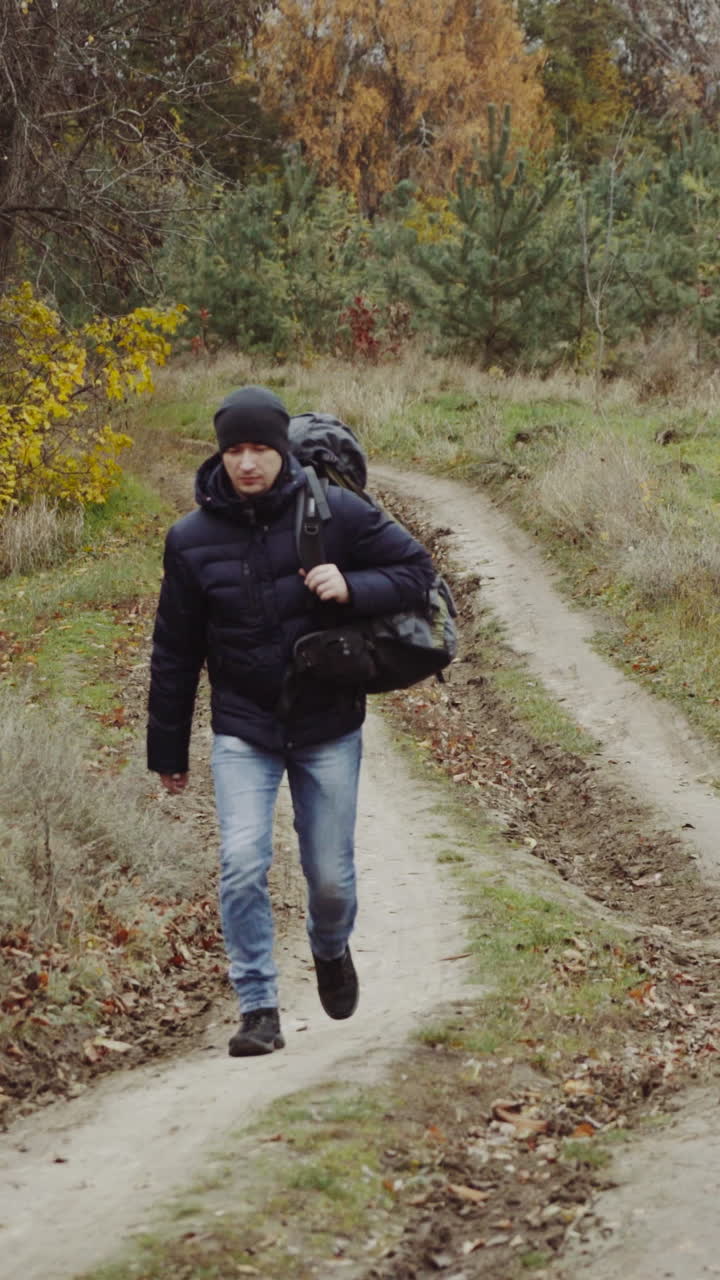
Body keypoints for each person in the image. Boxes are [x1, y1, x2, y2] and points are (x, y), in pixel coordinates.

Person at [147, 386, 436, 1056]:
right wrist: (168, 750)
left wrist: (353, 586)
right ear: (220, 454)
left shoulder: (336, 512)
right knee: (242, 862)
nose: (247, 463)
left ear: (282, 451)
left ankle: (330, 948)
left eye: (260, 449)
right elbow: (175, 650)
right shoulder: (190, 540)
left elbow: (417, 571)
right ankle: (257, 1007)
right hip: (243, 729)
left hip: (327, 722)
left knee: (329, 879)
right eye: (235, 450)